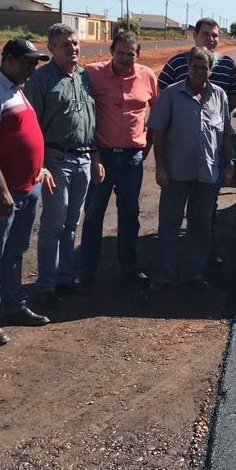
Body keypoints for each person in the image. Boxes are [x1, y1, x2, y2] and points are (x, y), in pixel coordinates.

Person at [0, 39, 55, 346]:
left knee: (15, 252)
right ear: (8, 59)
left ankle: (13, 306)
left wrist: (38, 169)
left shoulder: (16, 87)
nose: (33, 68)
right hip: (0, 195)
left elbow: (22, 136)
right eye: (28, 62)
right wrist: (1, 190)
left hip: (26, 188)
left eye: (35, 62)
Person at [24, 23, 103, 310]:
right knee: (53, 224)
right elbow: (32, 126)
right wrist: (41, 164)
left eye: (75, 43)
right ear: (51, 48)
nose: (73, 48)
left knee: (72, 223)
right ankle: (46, 285)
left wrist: (95, 157)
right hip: (56, 160)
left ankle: (65, 278)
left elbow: (91, 121)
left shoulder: (83, 77)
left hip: (83, 158)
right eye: (66, 44)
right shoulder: (41, 80)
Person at [157, 18, 236, 267]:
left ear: (211, 70)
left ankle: (196, 267)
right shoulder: (174, 74)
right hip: (178, 164)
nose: (211, 39)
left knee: (204, 218)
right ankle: (164, 271)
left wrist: (211, 115)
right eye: (206, 34)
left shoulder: (222, 88)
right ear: (195, 35)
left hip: (209, 162)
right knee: (171, 220)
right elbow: (160, 107)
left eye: (215, 35)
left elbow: (230, 117)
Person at [147, 47, 235, 287]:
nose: (198, 71)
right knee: (169, 225)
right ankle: (163, 275)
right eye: (194, 67)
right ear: (188, 67)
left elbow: (226, 134)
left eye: (203, 67)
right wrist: (160, 168)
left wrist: (230, 165)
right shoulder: (171, 95)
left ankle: (193, 274)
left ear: (210, 69)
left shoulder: (220, 96)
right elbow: (158, 134)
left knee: (200, 225)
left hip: (208, 173)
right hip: (176, 173)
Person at [78, 30, 159, 288]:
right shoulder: (92, 74)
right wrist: (92, 153)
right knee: (93, 214)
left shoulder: (147, 76)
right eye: (120, 52)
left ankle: (130, 267)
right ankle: (86, 270)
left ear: (138, 55)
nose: (125, 58)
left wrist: (147, 143)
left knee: (129, 213)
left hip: (132, 158)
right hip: (101, 157)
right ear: (112, 51)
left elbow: (157, 110)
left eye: (130, 54)